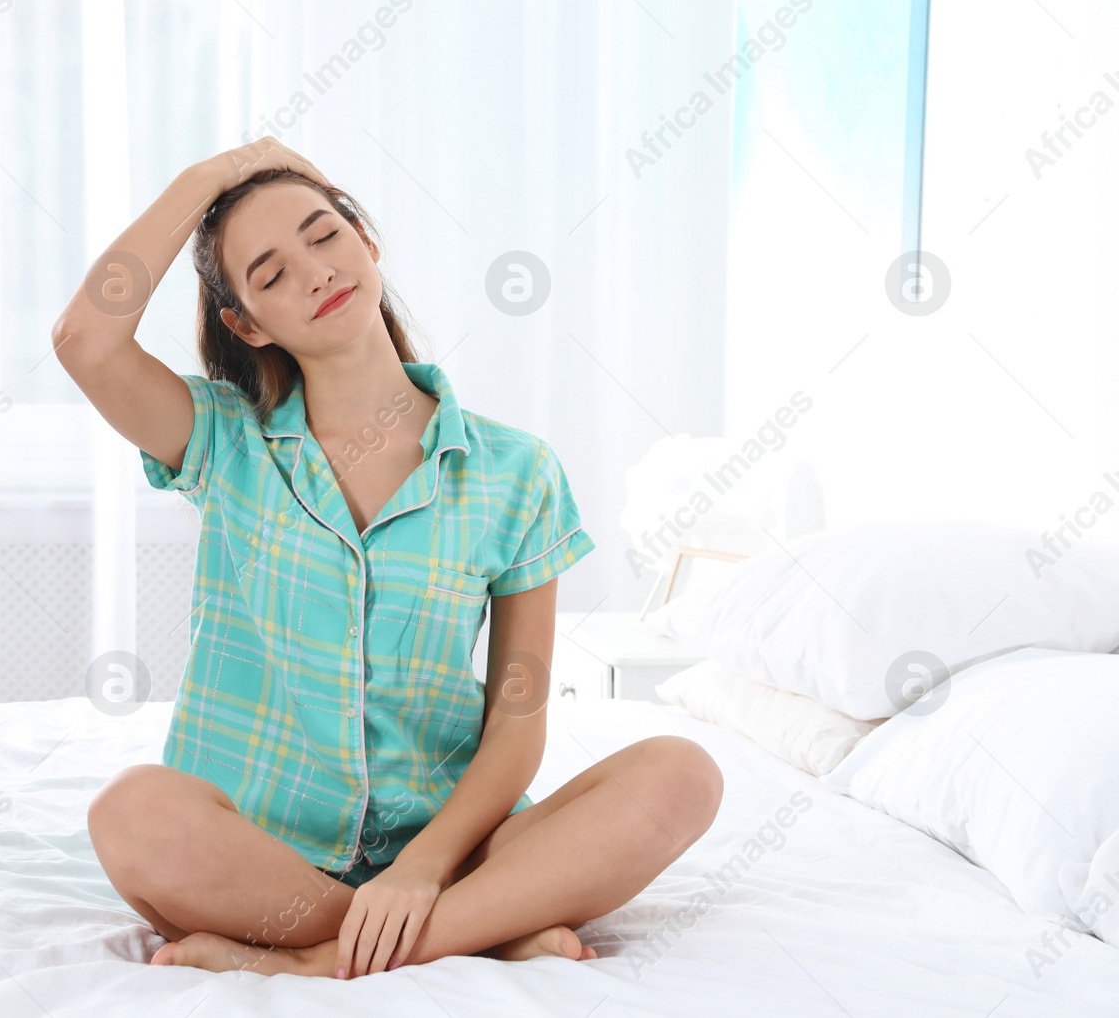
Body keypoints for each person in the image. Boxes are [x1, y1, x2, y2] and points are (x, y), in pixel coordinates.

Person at [54, 137, 723, 980]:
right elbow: (85, 338)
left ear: (367, 244)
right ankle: (480, 929)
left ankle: (319, 960)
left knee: (682, 774)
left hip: (451, 847)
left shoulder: (516, 471)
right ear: (246, 323)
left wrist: (420, 869)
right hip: (262, 859)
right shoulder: (222, 439)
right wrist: (210, 176)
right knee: (133, 813)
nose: (314, 271)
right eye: (269, 273)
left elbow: (516, 726)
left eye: (324, 235)